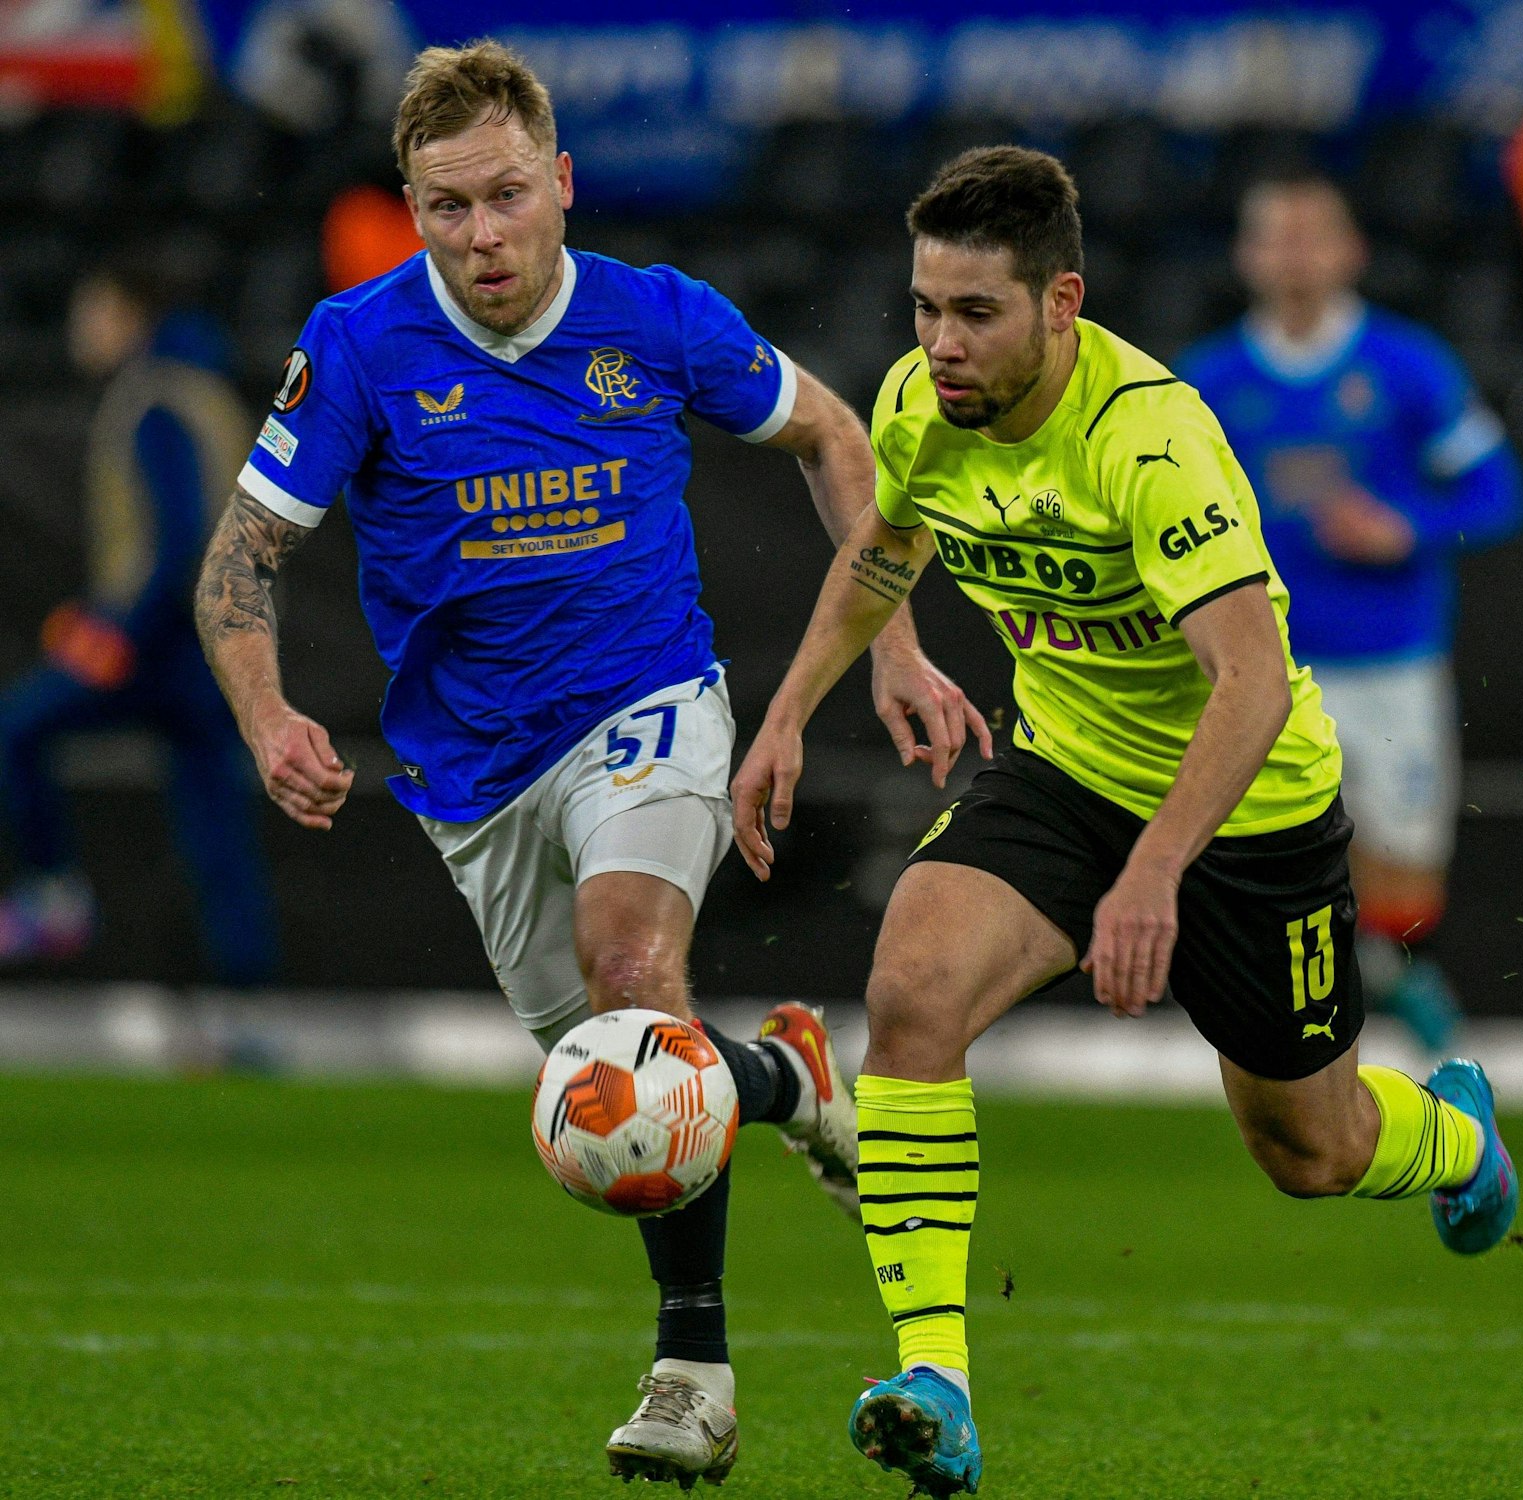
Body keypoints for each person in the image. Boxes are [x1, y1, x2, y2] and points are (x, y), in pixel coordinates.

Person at [192, 40, 988, 1488]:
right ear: (412, 207)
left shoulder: (659, 318)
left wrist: (892, 643)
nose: (481, 236)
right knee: (609, 1087)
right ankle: (784, 1079)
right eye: (446, 208)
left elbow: (832, 434)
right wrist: (265, 715)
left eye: (505, 196)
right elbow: (240, 563)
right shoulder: (361, 345)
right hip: (472, 775)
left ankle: (695, 1373)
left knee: (632, 980)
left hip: (650, 704)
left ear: (560, 183)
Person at [729, 146, 1520, 1498]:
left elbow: (1254, 682)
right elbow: (884, 549)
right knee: (911, 993)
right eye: (925, 307)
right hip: (1065, 773)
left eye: (976, 313)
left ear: (1062, 303)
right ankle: (936, 1378)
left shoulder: (1150, 436)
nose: (941, 342)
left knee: (1308, 1152)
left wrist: (1155, 877)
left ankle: (1454, 1136)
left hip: (1247, 812)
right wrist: (800, 702)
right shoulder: (921, 402)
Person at [1177, 174, 1523, 1053]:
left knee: (1406, 861)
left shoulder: (1409, 368)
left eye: (1313, 236)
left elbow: (1497, 491)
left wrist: (1405, 528)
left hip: (1389, 657)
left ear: (1350, 252)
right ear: (1246, 256)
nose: (1295, 256)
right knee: (1252, 842)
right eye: (1275, 237)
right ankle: (1284, 1013)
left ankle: (1384, 973)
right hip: (1261, 665)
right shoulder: (1206, 382)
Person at [0, 255, 277, 982]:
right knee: (215, 819)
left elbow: (177, 538)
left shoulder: (154, 398)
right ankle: (247, 990)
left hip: (160, 644)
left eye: (90, 311)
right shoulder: (206, 389)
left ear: (127, 314)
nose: (77, 329)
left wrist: (118, 630)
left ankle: (54, 894)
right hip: (215, 642)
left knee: (16, 731)